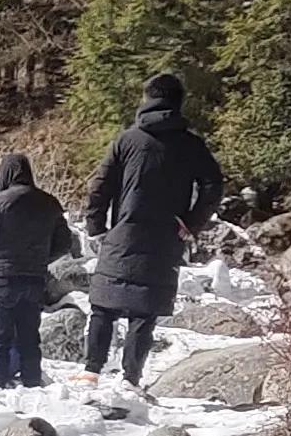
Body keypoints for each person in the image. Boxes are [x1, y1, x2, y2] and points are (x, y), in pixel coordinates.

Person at [80, 73, 223, 387]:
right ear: (178, 102)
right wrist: (191, 222)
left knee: (103, 304)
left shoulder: (128, 140)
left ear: (147, 99)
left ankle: (91, 371)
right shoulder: (191, 144)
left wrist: (96, 226)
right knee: (144, 312)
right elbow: (213, 185)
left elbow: (100, 186)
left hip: (123, 232)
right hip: (165, 237)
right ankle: (130, 378)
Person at [0, 150, 76, 387]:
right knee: (30, 338)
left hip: (4, 277)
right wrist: (42, 259)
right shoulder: (50, 203)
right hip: (35, 278)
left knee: (0, 338)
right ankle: (32, 383)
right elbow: (64, 243)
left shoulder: (0, 202)